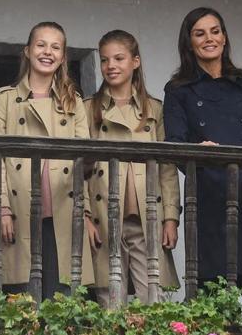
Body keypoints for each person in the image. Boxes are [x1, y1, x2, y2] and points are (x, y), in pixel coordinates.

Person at [163, 7, 242, 309]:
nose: (210, 39)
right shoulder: (179, 90)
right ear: (188, 42)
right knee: (213, 317)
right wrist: (201, 153)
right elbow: (175, 147)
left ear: (224, 36)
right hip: (209, 204)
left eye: (215, 31)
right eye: (200, 33)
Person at [0, 22, 95, 300]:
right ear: (27, 51)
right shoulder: (5, 99)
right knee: (22, 300)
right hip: (19, 208)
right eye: (41, 45)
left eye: (55, 47)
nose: (48, 52)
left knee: (63, 299)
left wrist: (88, 213)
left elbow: (84, 163)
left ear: (63, 56)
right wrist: (2, 208)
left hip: (64, 207)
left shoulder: (74, 102)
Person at [85, 30, 181, 306]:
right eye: (104, 60)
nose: (110, 66)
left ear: (135, 61)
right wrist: (86, 215)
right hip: (105, 216)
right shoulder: (88, 108)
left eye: (118, 58)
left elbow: (167, 167)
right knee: (110, 304)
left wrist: (171, 217)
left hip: (147, 214)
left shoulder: (154, 109)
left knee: (154, 301)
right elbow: (77, 167)